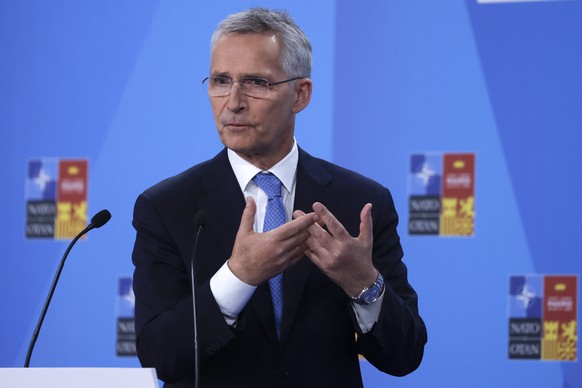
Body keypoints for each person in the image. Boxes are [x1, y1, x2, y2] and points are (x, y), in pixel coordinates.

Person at [132, 7, 427, 388]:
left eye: (256, 82)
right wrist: (239, 277)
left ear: (300, 94)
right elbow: (160, 357)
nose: (233, 101)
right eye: (221, 80)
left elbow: (405, 356)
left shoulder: (361, 202)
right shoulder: (167, 207)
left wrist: (362, 281)